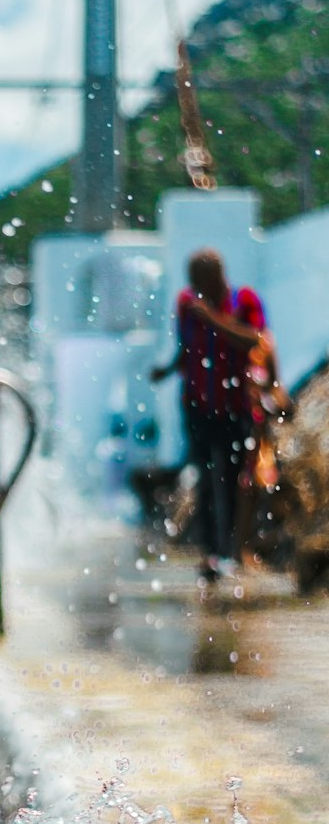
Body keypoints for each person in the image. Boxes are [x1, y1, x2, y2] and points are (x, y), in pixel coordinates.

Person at [151, 248, 266, 580]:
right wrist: (168, 370)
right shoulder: (186, 304)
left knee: (232, 480)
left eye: (203, 280)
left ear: (218, 275)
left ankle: (234, 550)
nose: (198, 287)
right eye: (194, 282)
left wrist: (213, 317)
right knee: (204, 478)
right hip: (198, 407)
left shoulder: (244, 302)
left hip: (236, 407)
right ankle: (211, 555)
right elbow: (187, 351)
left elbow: (253, 341)